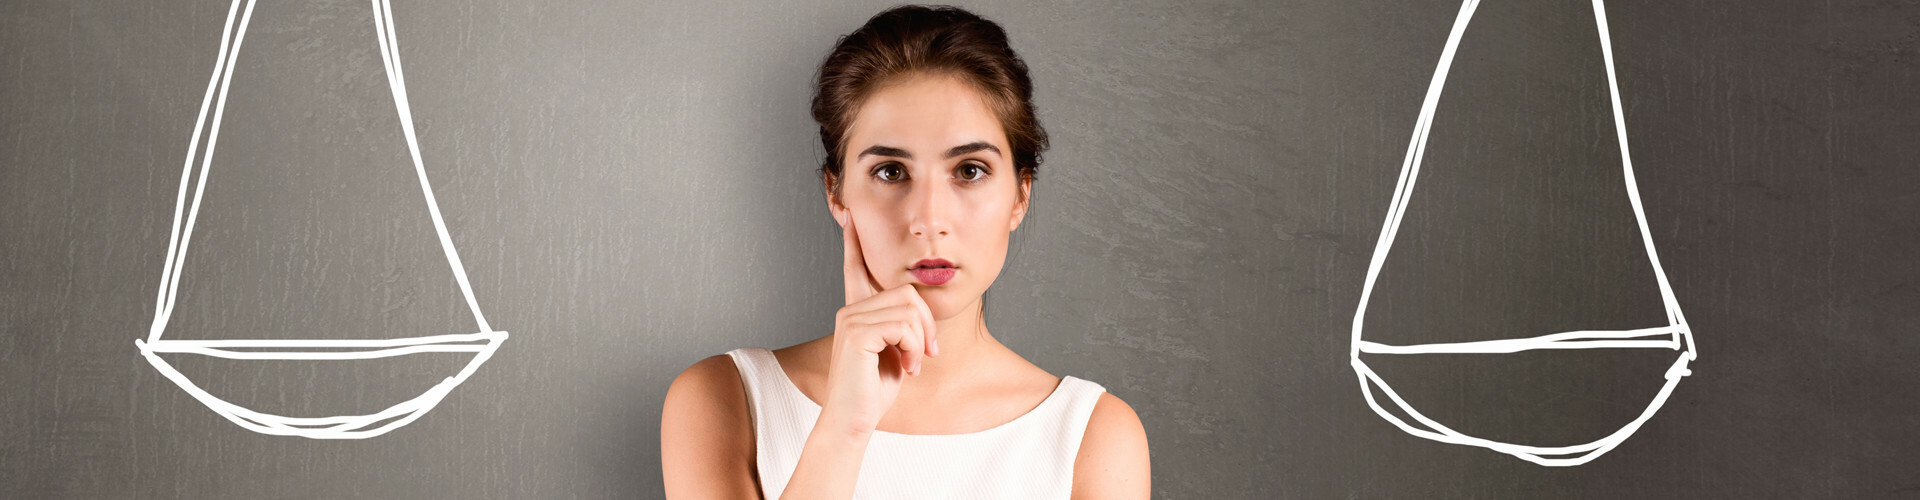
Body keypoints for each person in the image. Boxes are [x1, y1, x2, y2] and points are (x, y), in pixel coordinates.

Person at [661, 5, 1150, 498]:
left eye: (970, 170)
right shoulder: (725, 400)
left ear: (1020, 195)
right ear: (837, 192)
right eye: (891, 172)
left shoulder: (1092, 436)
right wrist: (846, 427)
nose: (929, 220)